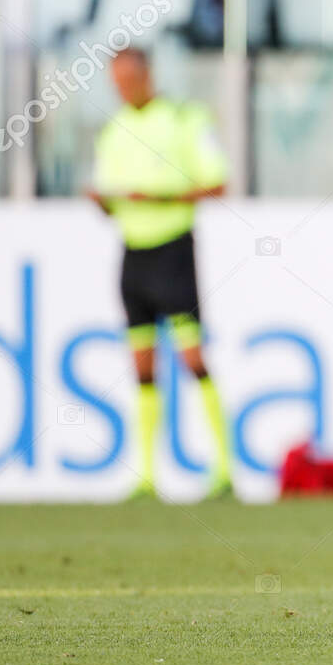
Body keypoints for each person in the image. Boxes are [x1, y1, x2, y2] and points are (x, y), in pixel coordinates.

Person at [88, 48, 232, 500]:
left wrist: (158, 197)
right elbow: (111, 198)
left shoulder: (185, 119)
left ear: (147, 75)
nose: (123, 88)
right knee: (141, 364)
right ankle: (147, 475)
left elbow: (216, 182)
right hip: (134, 253)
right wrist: (105, 201)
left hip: (173, 251)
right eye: (117, 81)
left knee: (192, 358)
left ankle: (223, 468)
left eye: (129, 79)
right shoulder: (113, 131)